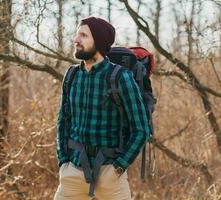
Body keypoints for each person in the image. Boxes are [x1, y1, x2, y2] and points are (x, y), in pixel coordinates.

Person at [54, 16, 150, 200]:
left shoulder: (120, 77)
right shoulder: (71, 75)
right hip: (72, 172)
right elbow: (63, 121)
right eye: (77, 35)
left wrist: (118, 168)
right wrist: (63, 161)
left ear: (98, 41)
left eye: (83, 35)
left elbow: (141, 130)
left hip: (110, 174)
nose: (76, 40)